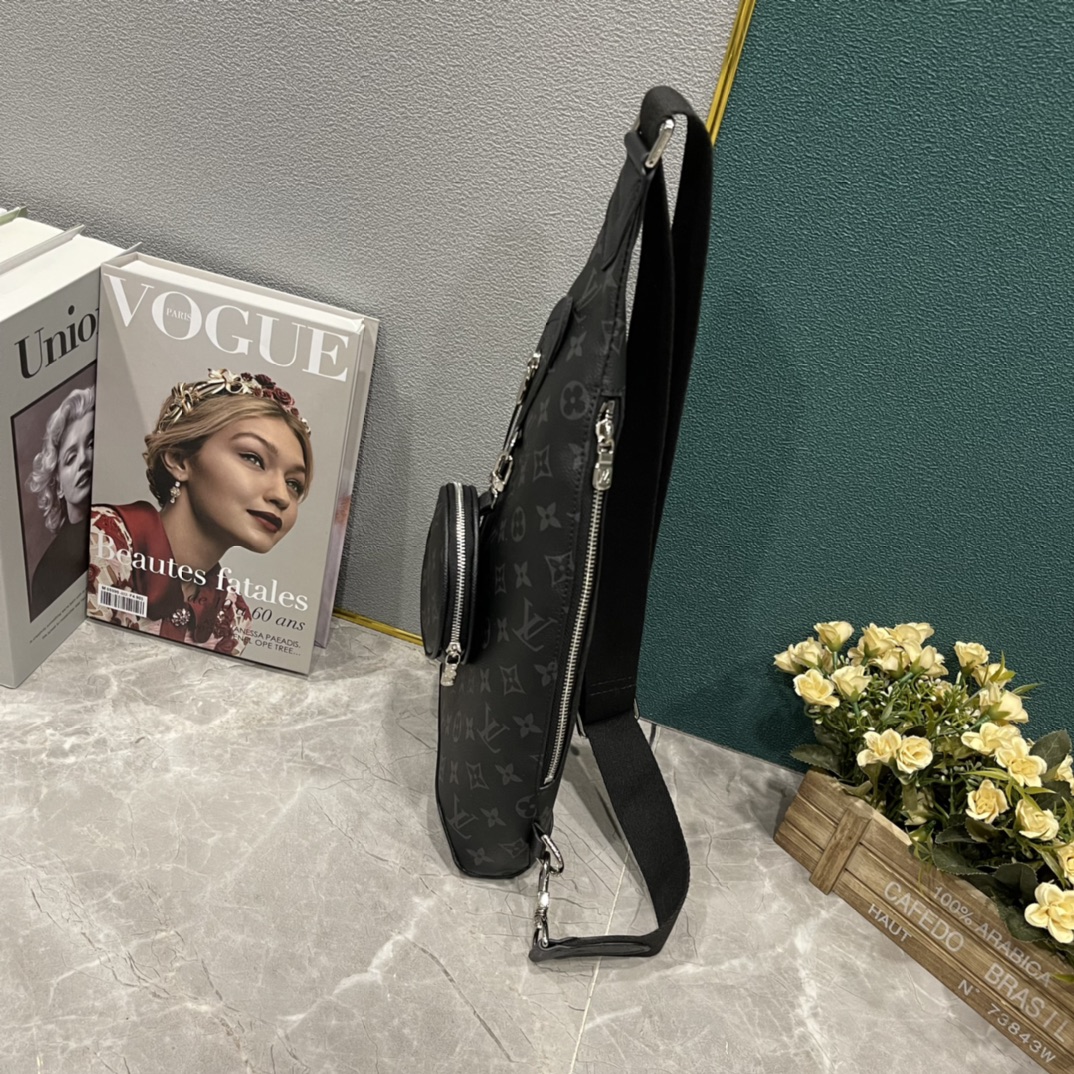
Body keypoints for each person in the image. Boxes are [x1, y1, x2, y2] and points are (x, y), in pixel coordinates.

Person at [87, 369, 313, 655]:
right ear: (179, 460)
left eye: (294, 484)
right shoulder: (99, 544)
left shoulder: (233, 617)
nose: (281, 496)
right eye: (253, 458)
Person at [27, 385, 96, 619]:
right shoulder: (47, 573)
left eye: (91, 444)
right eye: (70, 457)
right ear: (57, 484)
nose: (83, 459)